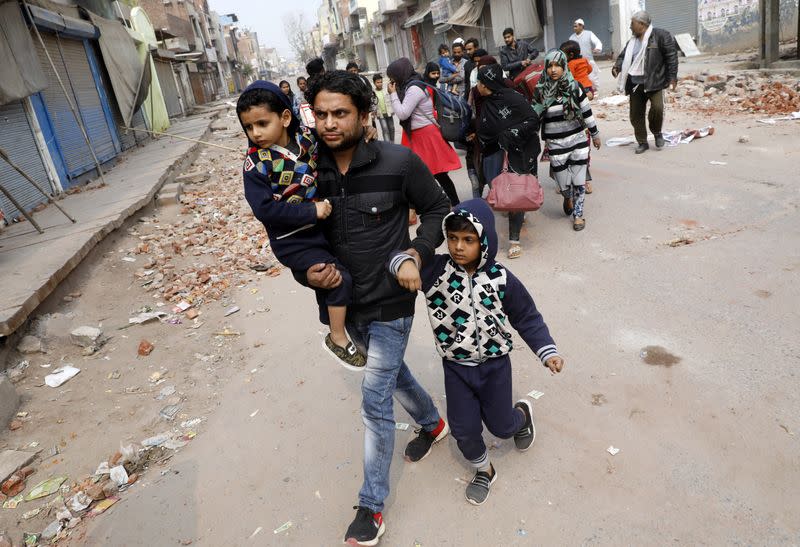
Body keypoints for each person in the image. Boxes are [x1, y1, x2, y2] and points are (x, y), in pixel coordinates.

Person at [301, 70, 451, 546]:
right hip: (343, 305)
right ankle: (433, 423)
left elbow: (438, 209)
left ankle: (371, 507)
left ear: (365, 117)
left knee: (374, 398)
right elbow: (290, 235)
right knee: (391, 376)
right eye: (321, 113)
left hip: (391, 302)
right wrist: (303, 272)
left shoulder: (399, 162)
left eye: (340, 113)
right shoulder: (308, 173)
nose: (328, 123)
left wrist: (417, 254)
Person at [388, 198, 564, 505]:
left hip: (496, 367)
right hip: (456, 368)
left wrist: (547, 351)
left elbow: (526, 317)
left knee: (502, 427)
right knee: (463, 430)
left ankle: (521, 415)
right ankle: (484, 470)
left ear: (484, 240)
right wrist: (404, 264)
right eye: (453, 238)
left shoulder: (501, 278)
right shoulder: (436, 270)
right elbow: (400, 258)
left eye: (468, 240)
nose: (458, 246)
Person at [236, 81, 366, 369]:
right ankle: (337, 337)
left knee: (339, 277)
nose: (255, 133)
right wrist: (311, 211)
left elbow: (333, 144)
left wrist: (362, 136)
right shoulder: (255, 165)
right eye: (248, 127)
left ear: (284, 118)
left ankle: (341, 322)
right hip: (292, 240)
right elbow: (265, 210)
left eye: (262, 123)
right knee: (336, 277)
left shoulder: (307, 139)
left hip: (320, 230)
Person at [475, 61, 541, 259]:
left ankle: (514, 240)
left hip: (519, 151)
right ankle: (517, 211)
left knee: (516, 192)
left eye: (480, 82)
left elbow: (533, 120)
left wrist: (511, 132)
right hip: (495, 152)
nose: (477, 86)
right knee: (502, 190)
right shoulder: (487, 101)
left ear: (488, 84)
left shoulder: (513, 98)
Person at [533, 50, 600, 232]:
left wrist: (594, 134)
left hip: (578, 139)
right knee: (563, 183)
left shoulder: (575, 86)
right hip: (555, 145)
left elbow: (586, 111)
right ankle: (566, 196)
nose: (554, 70)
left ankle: (578, 215)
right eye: (550, 66)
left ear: (564, 66)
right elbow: (534, 117)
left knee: (579, 181)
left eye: (558, 65)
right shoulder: (540, 91)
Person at [387, 57, 462, 207]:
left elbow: (403, 114)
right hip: (418, 135)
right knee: (424, 175)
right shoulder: (415, 84)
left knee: (438, 174)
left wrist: (393, 95)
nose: (392, 81)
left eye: (393, 77)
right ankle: (438, 204)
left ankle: (454, 204)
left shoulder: (414, 88)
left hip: (425, 135)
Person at [611, 11, 678, 154]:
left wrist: (672, 77)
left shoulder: (661, 35)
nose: (630, 27)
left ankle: (657, 132)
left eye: (632, 24)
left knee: (658, 109)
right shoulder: (631, 42)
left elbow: (671, 57)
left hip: (655, 82)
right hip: (635, 83)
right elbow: (623, 57)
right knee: (636, 115)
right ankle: (642, 142)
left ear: (642, 24)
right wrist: (617, 66)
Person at [569, 19, 603, 92]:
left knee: (592, 77)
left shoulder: (589, 33)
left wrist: (597, 48)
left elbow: (598, 42)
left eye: (576, 26)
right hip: (577, 62)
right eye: (574, 26)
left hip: (588, 60)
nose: (574, 28)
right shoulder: (571, 37)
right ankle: (583, 92)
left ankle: (594, 90)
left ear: (581, 26)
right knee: (579, 78)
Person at [372, 73, 395, 142]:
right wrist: (373, 113)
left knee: (391, 128)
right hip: (380, 114)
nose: (380, 84)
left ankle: (392, 142)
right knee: (385, 129)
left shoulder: (386, 90)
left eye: (381, 82)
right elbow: (373, 104)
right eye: (378, 82)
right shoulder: (373, 93)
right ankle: (387, 144)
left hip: (389, 112)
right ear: (374, 83)